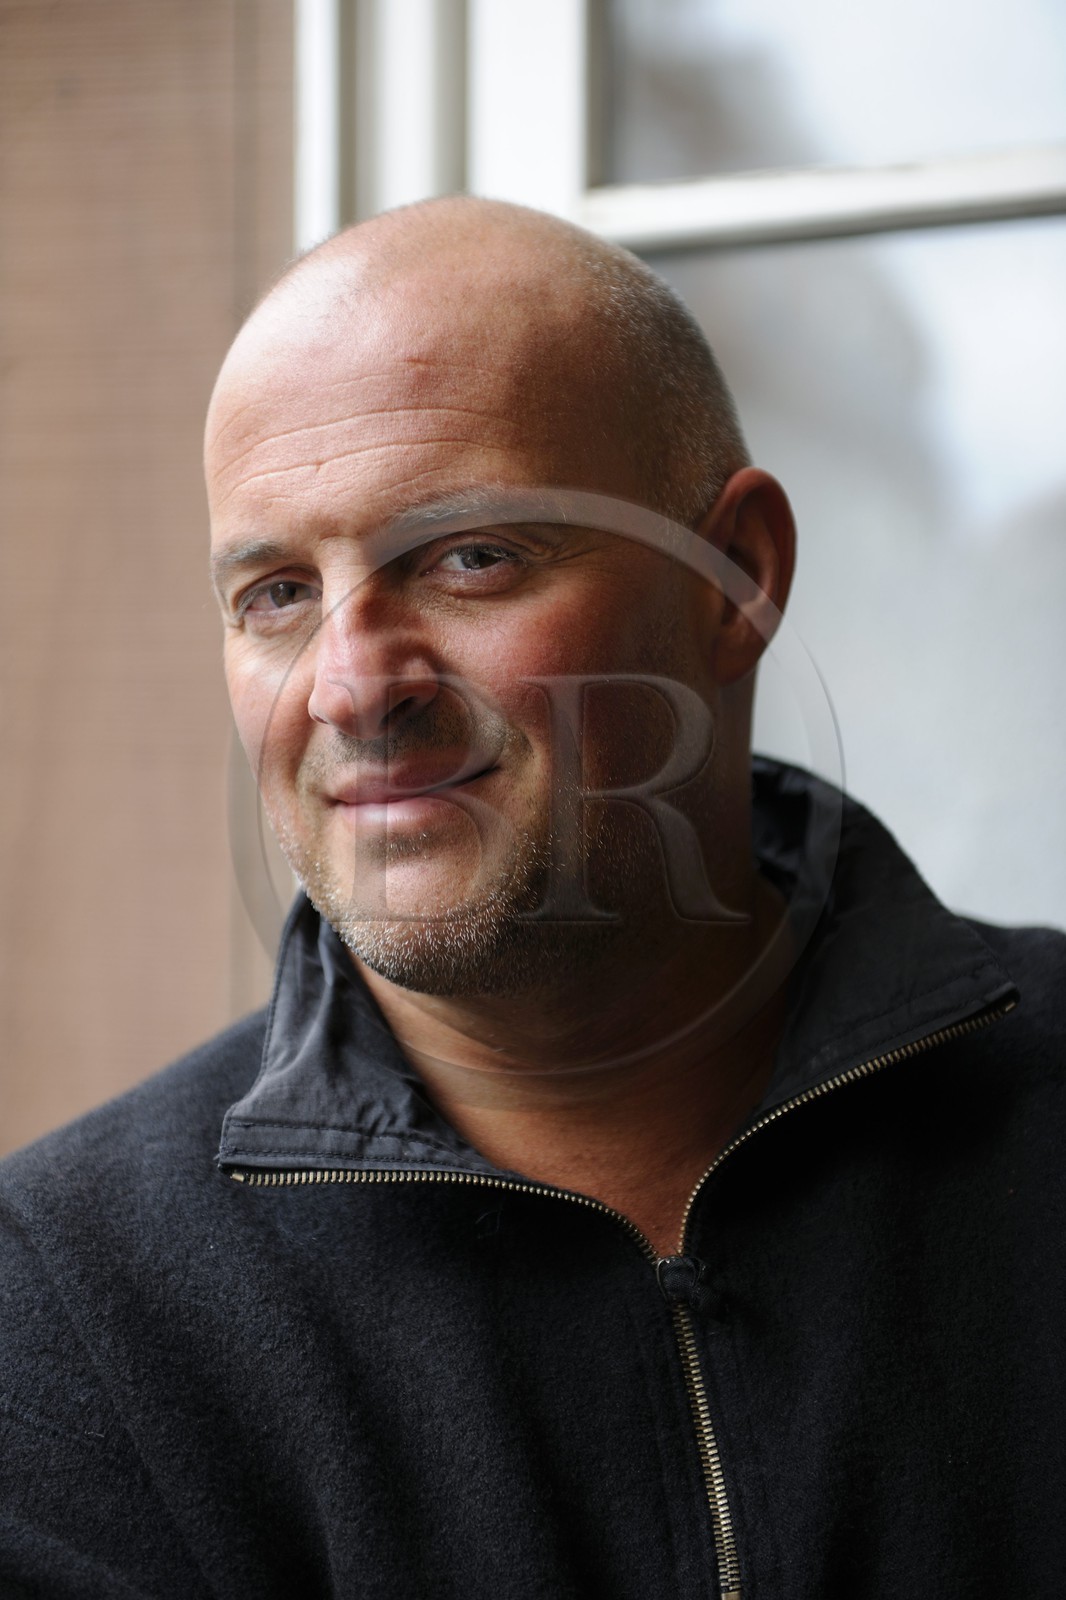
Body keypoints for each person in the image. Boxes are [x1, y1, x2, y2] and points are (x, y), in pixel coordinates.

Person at [0, 197, 1062, 1600]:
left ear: (731, 577)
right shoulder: (64, 1309)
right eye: (274, 595)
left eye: (469, 557)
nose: (353, 685)